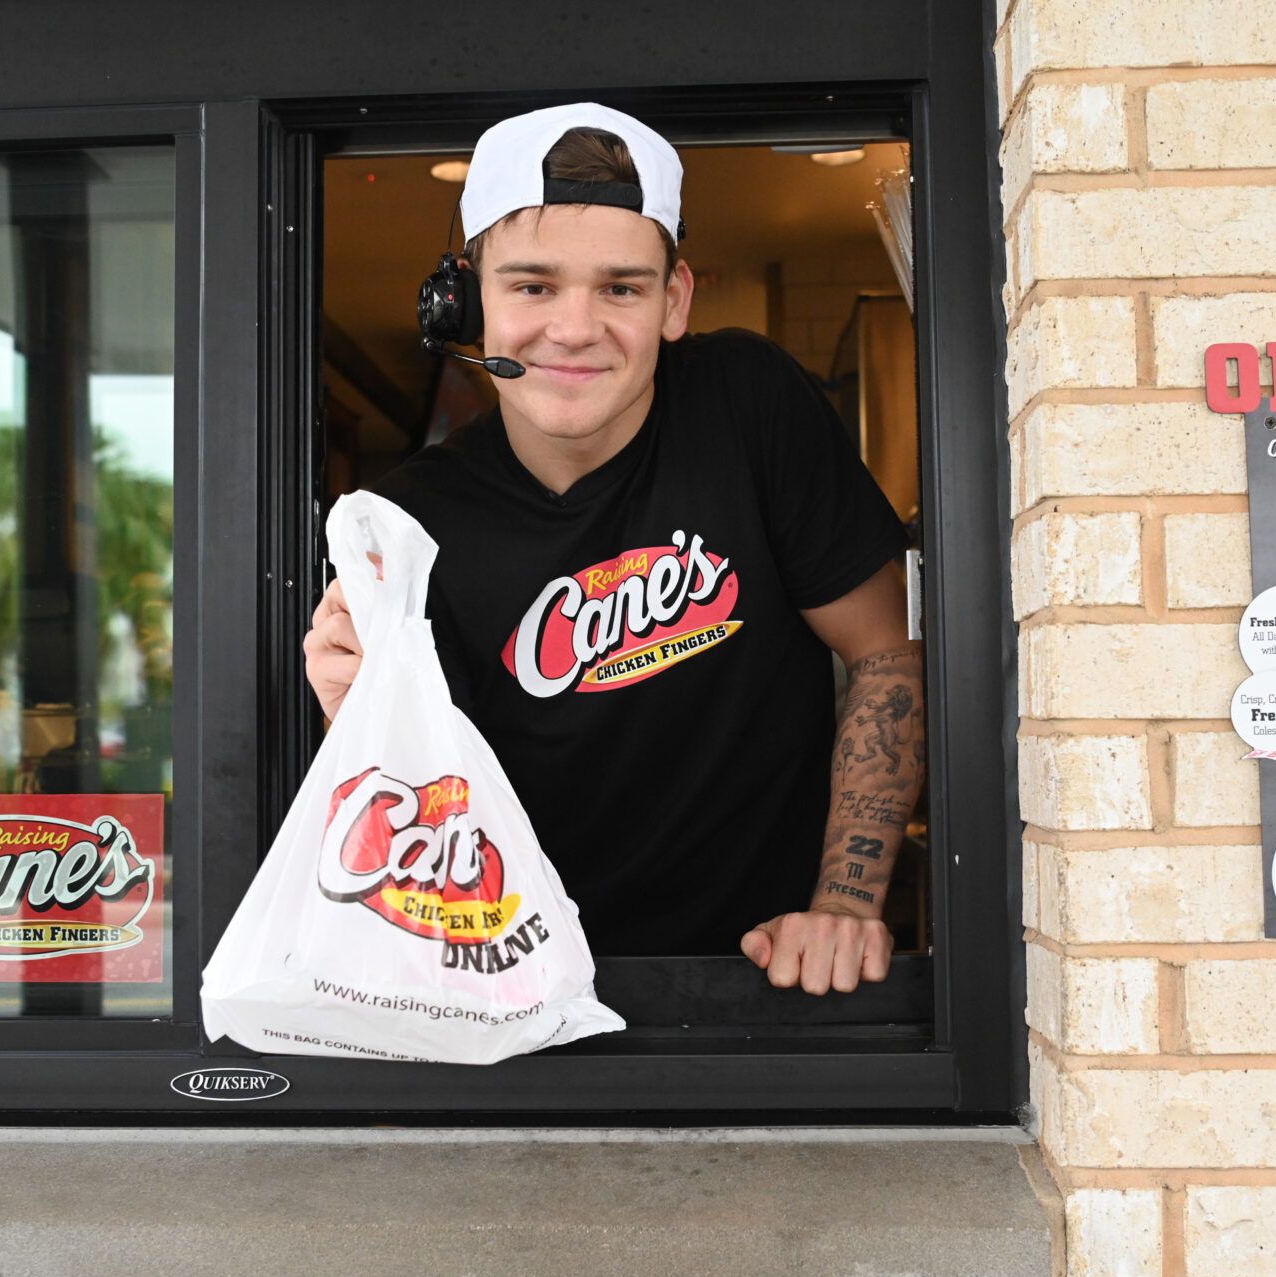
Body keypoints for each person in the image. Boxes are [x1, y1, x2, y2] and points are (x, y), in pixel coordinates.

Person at [304, 103, 924, 995]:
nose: (575, 327)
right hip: (513, 993)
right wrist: (356, 717)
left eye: (622, 288)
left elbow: (887, 652)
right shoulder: (411, 518)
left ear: (674, 301)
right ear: (467, 299)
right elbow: (427, 822)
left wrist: (846, 904)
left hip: (764, 981)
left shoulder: (748, 406)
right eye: (532, 286)